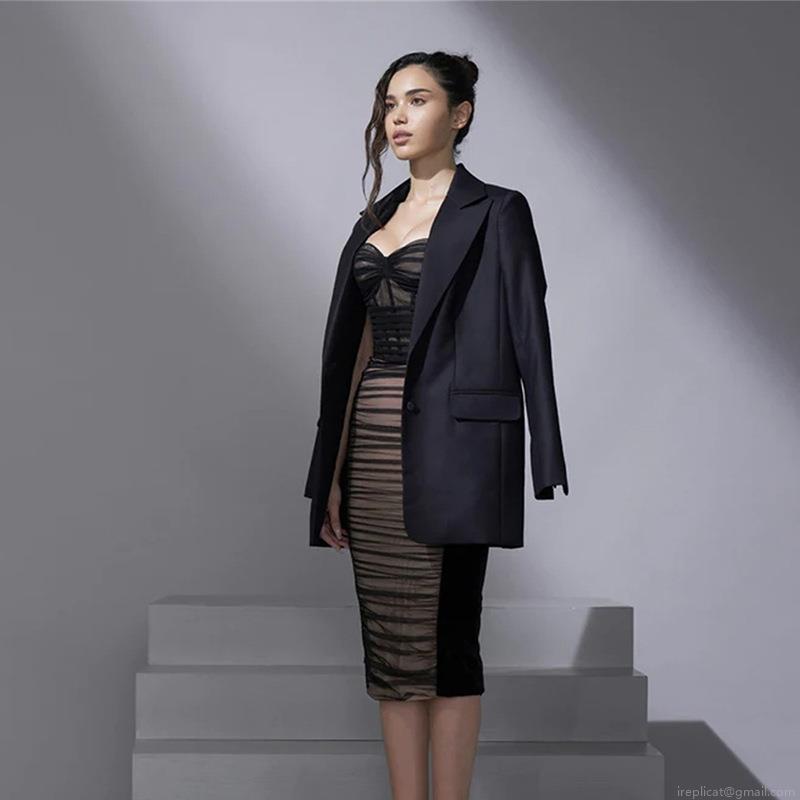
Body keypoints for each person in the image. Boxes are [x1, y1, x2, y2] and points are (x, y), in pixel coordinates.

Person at [305, 50, 568, 800]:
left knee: (449, 648)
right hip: (371, 457)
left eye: (417, 101)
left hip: (458, 453)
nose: (397, 117)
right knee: (390, 651)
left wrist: (544, 454)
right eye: (390, 103)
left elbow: (529, 331)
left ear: (460, 114)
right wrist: (329, 475)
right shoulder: (374, 220)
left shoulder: (498, 211)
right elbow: (352, 352)